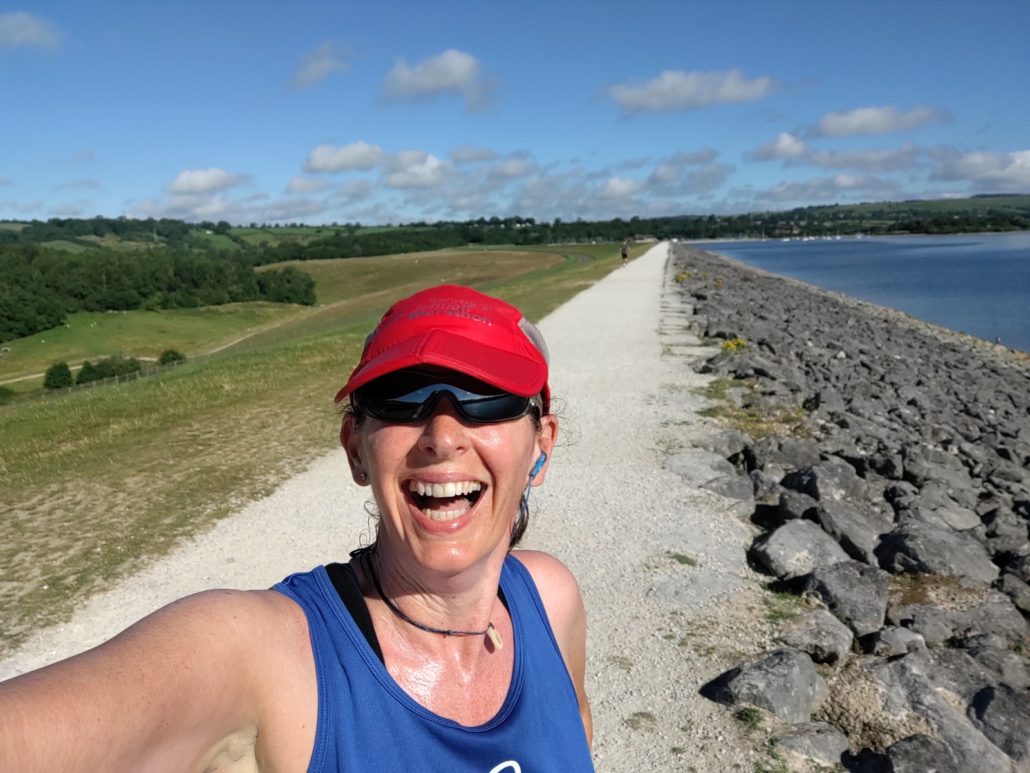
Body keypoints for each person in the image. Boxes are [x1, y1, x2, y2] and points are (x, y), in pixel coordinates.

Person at [0, 284, 594, 772]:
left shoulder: (550, 599)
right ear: (356, 451)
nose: (441, 435)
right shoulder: (269, 657)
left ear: (541, 446)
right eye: (399, 397)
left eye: (485, 397)